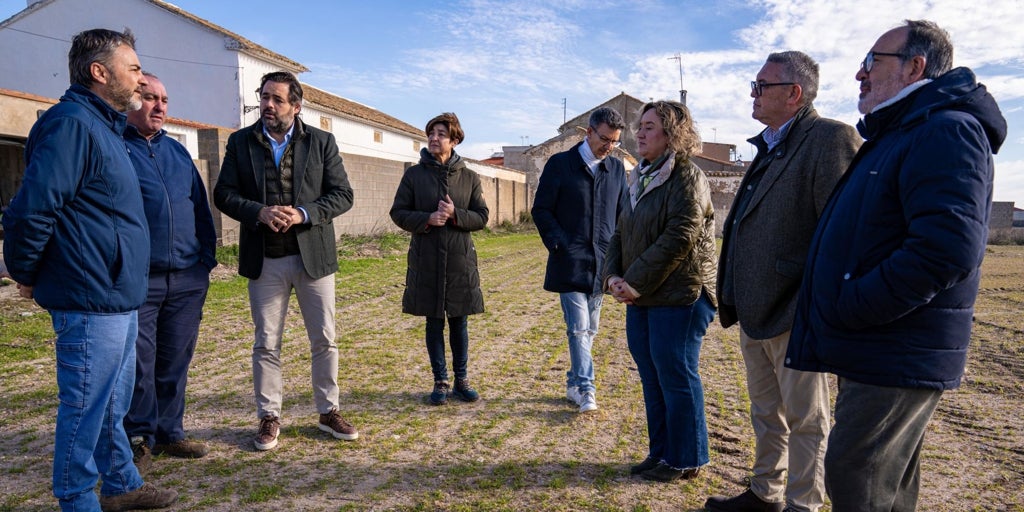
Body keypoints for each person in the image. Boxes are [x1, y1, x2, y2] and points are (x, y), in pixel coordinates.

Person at [787, 20, 1006, 510]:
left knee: (856, 476)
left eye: (872, 62)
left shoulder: (947, 131)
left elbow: (945, 250)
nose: (859, 74)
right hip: (879, 345)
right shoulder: (903, 131)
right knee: (880, 483)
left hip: (893, 346)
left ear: (915, 66)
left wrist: (855, 306)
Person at [1, 28, 177, 511]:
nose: (141, 80)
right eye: (134, 69)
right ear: (100, 72)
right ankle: (78, 500)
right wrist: (26, 273)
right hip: (87, 296)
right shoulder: (72, 124)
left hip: (117, 294)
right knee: (83, 411)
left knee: (110, 408)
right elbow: (31, 209)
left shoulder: (106, 127)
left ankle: (121, 485)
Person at [705, 52, 861, 512]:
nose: (752, 94)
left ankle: (802, 505)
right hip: (756, 308)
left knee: (807, 419)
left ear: (794, 93)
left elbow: (842, 232)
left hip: (795, 309)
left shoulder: (829, 139)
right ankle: (765, 493)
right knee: (766, 413)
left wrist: (815, 302)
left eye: (761, 86)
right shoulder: (770, 143)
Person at [213, 70, 357, 451]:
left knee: (324, 339)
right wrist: (259, 211)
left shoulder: (322, 142)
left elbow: (343, 195)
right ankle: (269, 416)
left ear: (296, 105)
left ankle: (328, 412)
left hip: (314, 259)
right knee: (266, 342)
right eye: (264, 97)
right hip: (265, 260)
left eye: (276, 99)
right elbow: (223, 194)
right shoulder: (241, 142)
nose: (268, 105)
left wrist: (303, 213)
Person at [604, 100, 717, 483]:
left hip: (681, 296)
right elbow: (621, 232)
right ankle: (662, 454)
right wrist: (612, 278)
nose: (640, 133)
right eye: (640, 126)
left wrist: (632, 281)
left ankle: (687, 458)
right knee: (653, 377)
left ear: (672, 134)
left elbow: (679, 237)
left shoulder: (687, 176)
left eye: (649, 126)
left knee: (677, 375)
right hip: (642, 296)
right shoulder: (640, 177)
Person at [123, 72, 218, 469]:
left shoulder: (177, 153)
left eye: (164, 99)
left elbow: (200, 206)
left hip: (186, 277)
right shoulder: (115, 148)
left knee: (175, 359)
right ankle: (138, 437)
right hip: (138, 280)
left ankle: (169, 433)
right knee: (139, 364)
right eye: (149, 97)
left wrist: (204, 262)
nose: (160, 106)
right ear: (130, 101)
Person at [532, 107, 628, 413]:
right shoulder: (560, 165)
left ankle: (573, 383)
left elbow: (623, 216)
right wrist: (560, 243)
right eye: (605, 139)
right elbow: (541, 210)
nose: (609, 146)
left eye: (615, 141)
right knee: (578, 328)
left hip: (602, 264)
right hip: (570, 260)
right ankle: (587, 389)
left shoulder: (616, 170)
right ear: (588, 132)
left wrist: (619, 257)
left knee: (591, 329)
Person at [390, 112, 489, 406]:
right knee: (434, 322)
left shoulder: (469, 177)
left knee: (459, 322)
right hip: (427, 259)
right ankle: (440, 381)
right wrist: (428, 218)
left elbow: (482, 216)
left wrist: (455, 214)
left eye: (441, 134)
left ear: (454, 140)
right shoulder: (414, 175)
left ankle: (461, 380)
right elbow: (398, 213)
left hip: (460, 261)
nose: (434, 138)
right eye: (431, 132)